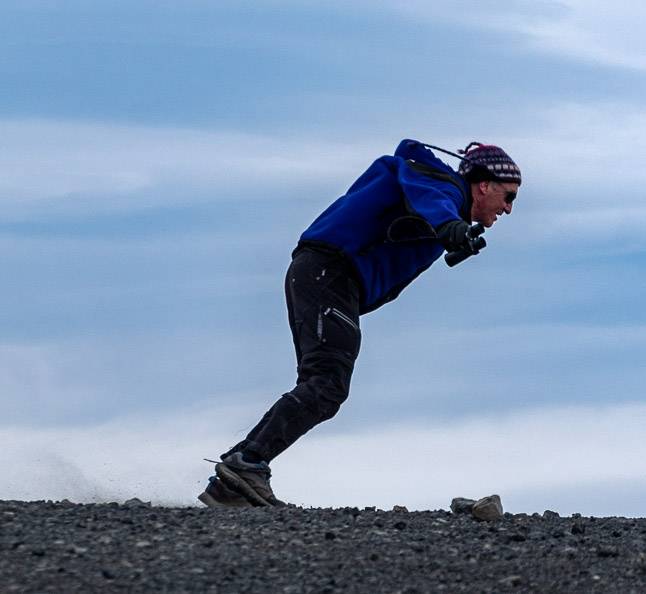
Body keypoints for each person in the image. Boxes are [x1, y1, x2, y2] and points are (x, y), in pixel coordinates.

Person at [198, 139, 522, 507]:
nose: (508, 208)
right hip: (328, 273)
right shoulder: (439, 185)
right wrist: (448, 226)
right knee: (327, 381)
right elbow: (430, 195)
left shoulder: (444, 201)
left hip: (328, 278)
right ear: (484, 185)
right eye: (508, 196)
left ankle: (233, 482)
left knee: (326, 384)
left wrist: (450, 229)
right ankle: (247, 464)